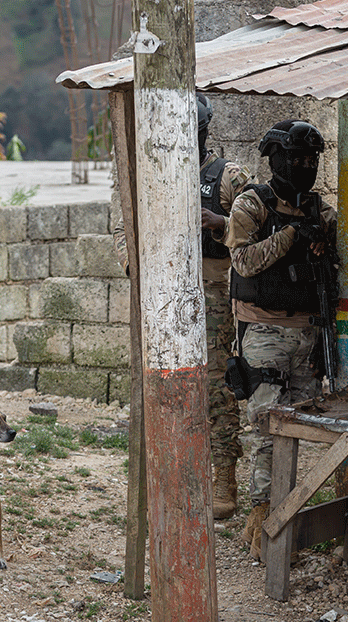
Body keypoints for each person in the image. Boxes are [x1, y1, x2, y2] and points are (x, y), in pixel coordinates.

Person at [112, 94, 251, 520]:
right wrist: (135, 263)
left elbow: (255, 228)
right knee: (161, 384)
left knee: (213, 384)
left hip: (209, 293)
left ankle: (222, 477)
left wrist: (222, 224)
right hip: (160, 291)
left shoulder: (226, 176)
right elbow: (123, 225)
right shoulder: (147, 171)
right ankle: (173, 473)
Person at [225, 119, 337, 560]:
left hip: (308, 334)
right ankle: (263, 524)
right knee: (268, 430)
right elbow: (245, 263)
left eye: (312, 161)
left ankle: (283, 524)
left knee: (298, 434)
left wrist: (320, 247)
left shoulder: (320, 212)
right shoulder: (252, 204)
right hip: (264, 331)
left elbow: (333, 274)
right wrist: (293, 235)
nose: (306, 167)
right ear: (277, 160)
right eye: (297, 159)